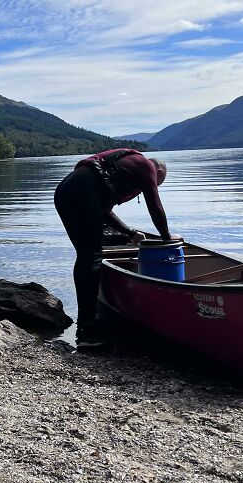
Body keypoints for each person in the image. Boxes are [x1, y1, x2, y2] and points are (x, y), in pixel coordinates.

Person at [54, 147, 181, 351]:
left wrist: (129, 232)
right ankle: (87, 329)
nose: (152, 186)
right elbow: (155, 206)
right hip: (80, 191)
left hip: (65, 191)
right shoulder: (146, 165)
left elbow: (103, 211)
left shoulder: (122, 169)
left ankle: (86, 323)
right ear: (156, 170)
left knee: (86, 254)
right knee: (92, 256)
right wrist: (167, 237)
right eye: (157, 182)